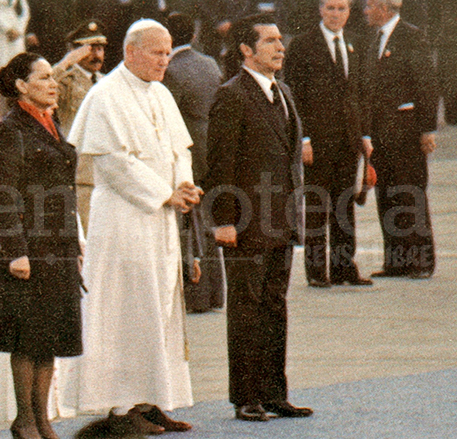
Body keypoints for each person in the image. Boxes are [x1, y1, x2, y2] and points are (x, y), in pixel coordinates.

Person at [61, 19, 199, 435]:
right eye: (157, 52)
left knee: (160, 306)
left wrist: (183, 184)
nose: (165, 60)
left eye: (168, 51)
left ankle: (152, 399)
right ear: (130, 52)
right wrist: (164, 193)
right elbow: (113, 163)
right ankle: (121, 408)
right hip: (123, 219)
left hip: (160, 220)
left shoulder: (161, 93)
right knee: (126, 310)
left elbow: (180, 149)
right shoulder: (105, 96)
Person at [203, 14, 313, 421]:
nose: (280, 47)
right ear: (246, 49)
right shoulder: (231, 95)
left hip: (280, 222)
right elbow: (220, 164)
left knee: (274, 307)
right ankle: (246, 396)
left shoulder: (282, 91)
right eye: (269, 41)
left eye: (281, 40)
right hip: (246, 224)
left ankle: (274, 393)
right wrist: (224, 220)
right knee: (246, 310)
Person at [0, 52, 83, 439]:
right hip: (27, 246)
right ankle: (25, 420)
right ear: (22, 86)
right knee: (26, 336)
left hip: (57, 244)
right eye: (43, 78)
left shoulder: (50, 123)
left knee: (49, 335)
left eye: (53, 77)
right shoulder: (9, 130)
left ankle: (41, 418)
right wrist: (15, 252)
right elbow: (4, 196)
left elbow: (66, 191)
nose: (52, 83)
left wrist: (74, 245)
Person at [284, 0, 373, 288]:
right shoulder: (302, 45)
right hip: (318, 141)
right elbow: (295, 95)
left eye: (342, 9)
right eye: (331, 8)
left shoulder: (354, 43)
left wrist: (365, 136)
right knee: (317, 206)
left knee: (344, 205)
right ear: (321, 10)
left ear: (350, 12)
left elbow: (359, 93)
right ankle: (316, 270)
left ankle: (344, 266)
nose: (336, 14)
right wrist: (304, 139)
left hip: (348, 139)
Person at [364, 0, 438, 279]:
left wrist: (427, 129)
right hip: (381, 133)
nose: (366, 11)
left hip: (406, 131)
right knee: (386, 196)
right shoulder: (375, 39)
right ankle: (396, 261)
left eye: (370, 6)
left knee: (410, 194)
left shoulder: (411, 36)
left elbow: (426, 83)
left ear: (384, 7)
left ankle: (421, 261)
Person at [163, 12, 225, 312]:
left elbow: (166, 116)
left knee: (191, 225)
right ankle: (215, 294)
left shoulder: (170, 71)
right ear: (194, 35)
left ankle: (197, 295)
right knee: (208, 223)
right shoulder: (209, 64)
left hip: (188, 154)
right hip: (211, 148)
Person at [51, 20, 107, 234]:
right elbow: (39, 90)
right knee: (86, 233)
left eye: (100, 48)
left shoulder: (106, 81)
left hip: (107, 170)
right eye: (90, 49)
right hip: (81, 172)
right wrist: (66, 63)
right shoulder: (65, 80)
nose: (97, 55)